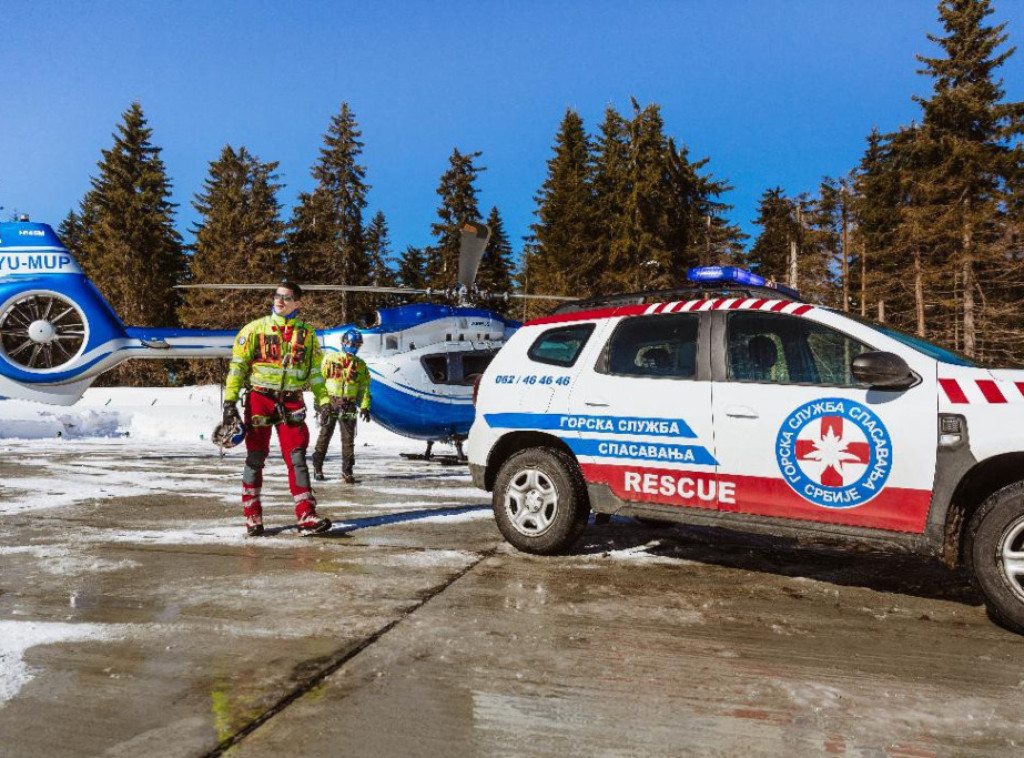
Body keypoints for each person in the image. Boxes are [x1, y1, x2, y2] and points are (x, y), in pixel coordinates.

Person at [221, 281, 332, 537]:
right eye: (277, 295)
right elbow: (237, 369)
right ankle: (252, 516)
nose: (280, 300)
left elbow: (315, 373)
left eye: (287, 297)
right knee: (256, 457)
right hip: (260, 399)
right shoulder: (254, 329)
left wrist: (324, 401)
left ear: (298, 303)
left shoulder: (307, 335)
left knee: (297, 457)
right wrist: (229, 402)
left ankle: (306, 515)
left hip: (292, 400)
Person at [312, 329, 371, 484]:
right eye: (352, 344)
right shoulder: (330, 359)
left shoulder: (360, 365)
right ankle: (317, 468)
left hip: (349, 405)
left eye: (358, 345)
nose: (354, 347)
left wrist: (365, 406)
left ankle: (347, 471)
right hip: (331, 403)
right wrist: (319, 403)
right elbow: (319, 380)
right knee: (325, 435)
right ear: (344, 342)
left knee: (348, 439)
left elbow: (364, 387)